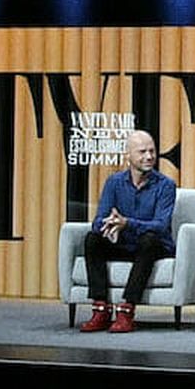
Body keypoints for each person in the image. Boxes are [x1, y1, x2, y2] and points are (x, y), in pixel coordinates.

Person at [79, 129, 176, 333]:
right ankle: (101, 309)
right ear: (128, 156)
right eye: (142, 152)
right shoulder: (114, 183)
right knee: (93, 238)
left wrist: (127, 223)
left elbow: (161, 225)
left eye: (152, 151)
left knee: (148, 240)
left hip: (152, 247)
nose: (149, 156)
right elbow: (99, 219)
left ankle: (126, 311)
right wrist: (109, 225)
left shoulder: (166, 186)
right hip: (123, 242)